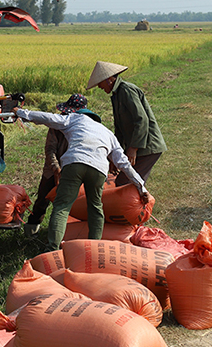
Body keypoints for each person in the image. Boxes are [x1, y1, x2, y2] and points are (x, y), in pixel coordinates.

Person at [14, 94, 150, 252]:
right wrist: (141, 187)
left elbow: (47, 118)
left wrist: (21, 113)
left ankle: (51, 249)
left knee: (62, 207)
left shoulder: (74, 119)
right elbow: (124, 163)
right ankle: (94, 249)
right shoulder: (107, 133)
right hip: (99, 170)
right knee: (95, 208)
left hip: (75, 163)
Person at [24, 94, 101, 237]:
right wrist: (56, 168)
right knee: (43, 198)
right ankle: (32, 229)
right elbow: (50, 149)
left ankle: (65, 232)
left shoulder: (87, 125)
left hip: (75, 166)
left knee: (69, 202)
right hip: (53, 168)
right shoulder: (57, 125)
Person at [86, 61, 167, 187]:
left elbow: (141, 120)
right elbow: (120, 130)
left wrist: (132, 149)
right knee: (131, 181)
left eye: (100, 83)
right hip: (139, 146)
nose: (99, 87)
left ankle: (140, 205)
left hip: (148, 146)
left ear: (108, 80)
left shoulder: (126, 90)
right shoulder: (116, 95)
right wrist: (115, 156)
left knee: (126, 182)